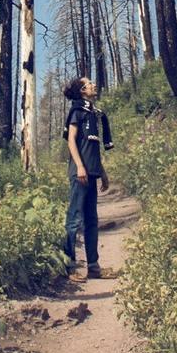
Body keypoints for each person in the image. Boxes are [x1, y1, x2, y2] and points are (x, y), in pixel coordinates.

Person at [63, 75, 113, 279]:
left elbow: (92, 147)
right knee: (74, 218)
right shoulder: (77, 111)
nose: (93, 84)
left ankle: (93, 266)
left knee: (92, 219)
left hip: (91, 173)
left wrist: (102, 172)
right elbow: (71, 142)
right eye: (89, 83)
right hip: (80, 174)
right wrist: (80, 167)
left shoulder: (93, 114)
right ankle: (70, 266)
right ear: (83, 91)